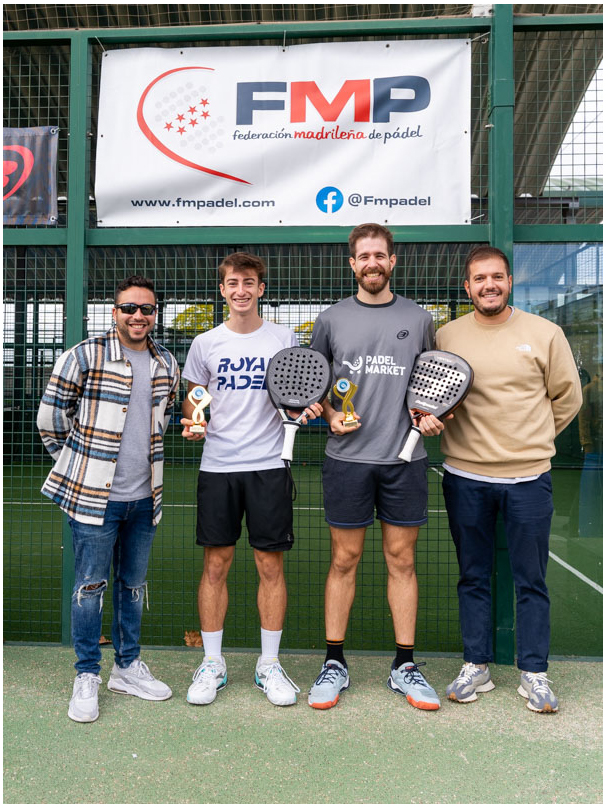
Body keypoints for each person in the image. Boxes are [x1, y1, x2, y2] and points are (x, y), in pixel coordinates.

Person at [421, 245, 582, 713]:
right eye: (479, 278)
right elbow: (433, 393)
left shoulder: (545, 333)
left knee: (531, 579)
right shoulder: (446, 335)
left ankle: (534, 673)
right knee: (473, 576)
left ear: (509, 282)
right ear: (467, 286)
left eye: (497, 277)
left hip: (529, 479)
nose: (488, 285)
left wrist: (532, 439)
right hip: (464, 478)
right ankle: (477, 665)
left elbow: (568, 398)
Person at [307, 222, 440, 711]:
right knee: (344, 560)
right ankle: (333, 662)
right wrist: (329, 414)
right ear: (352, 264)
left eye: (379, 255)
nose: (372, 263)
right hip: (347, 460)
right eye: (363, 256)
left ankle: (404, 665)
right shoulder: (330, 319)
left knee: (402, 561)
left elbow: (432, 384)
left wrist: (429, 418)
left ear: (392, 261)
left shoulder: (420, 319)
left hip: (404, 459)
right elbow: (315, 382)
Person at [37, 275, 180, 723]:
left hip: (144, 497)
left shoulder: (166, 363)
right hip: (93, 499)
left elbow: (165, 417)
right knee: (90, 588)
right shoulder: (84, 356)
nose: (138, 316)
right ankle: (87, 674)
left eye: (147, 309)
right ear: (114, 312)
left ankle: (127, 668)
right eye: (129, 308)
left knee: (133, 587)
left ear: (155, 315)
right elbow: (51, 418)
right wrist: (79, 465)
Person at [181, 252, 321, 708]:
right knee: (215, 566)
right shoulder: (205, 343)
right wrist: (195, 420)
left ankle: (268, 665)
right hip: (218, 466)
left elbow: (295, 392)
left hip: (269, 466)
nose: (240, 290)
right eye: (232, 283)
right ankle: (213, 664)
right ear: (222, 290)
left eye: (248, 283)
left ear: (261, 289)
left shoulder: (283, 338)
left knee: (270, 567)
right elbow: (194, 397)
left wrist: (304, 410)